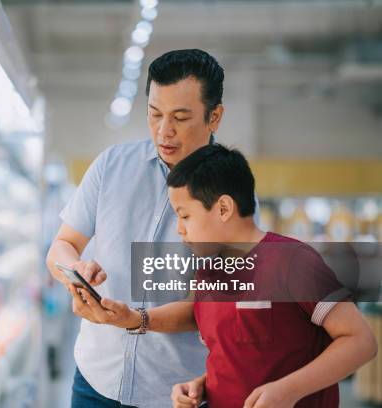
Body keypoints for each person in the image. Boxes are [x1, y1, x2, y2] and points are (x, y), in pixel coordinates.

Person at [77, 143, 378, 408]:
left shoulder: (293, 263)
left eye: (184, 216)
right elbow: (238, 353)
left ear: (223, 208)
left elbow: (360, 341)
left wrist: (288, 392)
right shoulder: (209, 270)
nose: (179, 229)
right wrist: (202, 385)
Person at [46, 49, 225, 407]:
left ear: (214, 117)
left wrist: (136, 320)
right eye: (154, 114)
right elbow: (62, 245)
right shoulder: (111, 166)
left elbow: (215, 303)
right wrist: (74, 273)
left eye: (180, 117)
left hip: (176, 393)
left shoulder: (230, 193)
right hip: (95, 381)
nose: (164, 131)